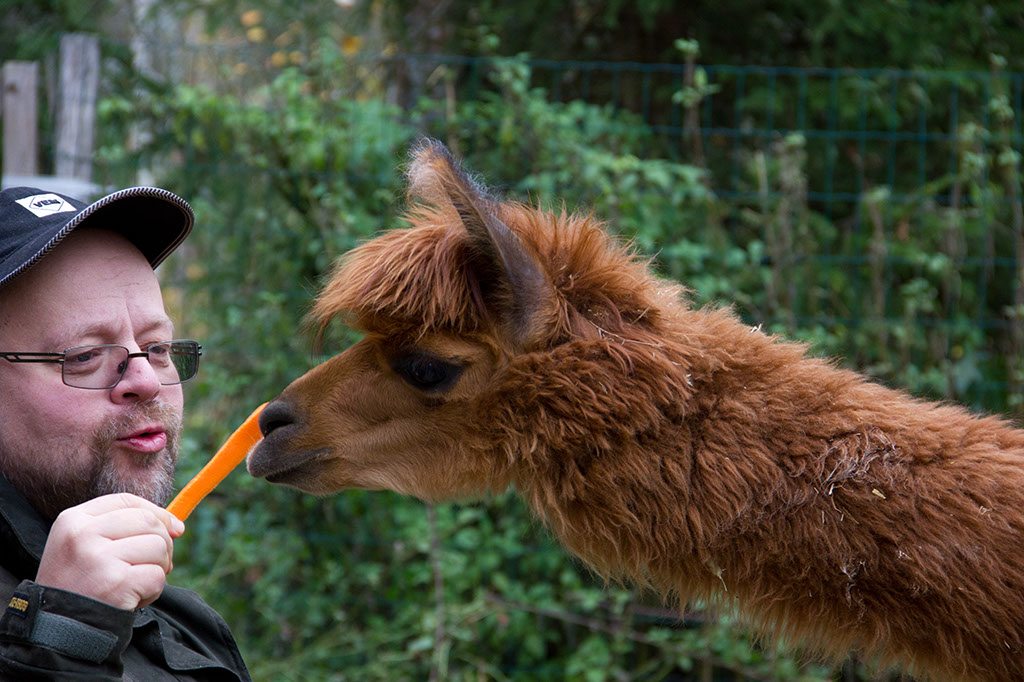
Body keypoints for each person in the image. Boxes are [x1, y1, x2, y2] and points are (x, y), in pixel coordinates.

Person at [0, 186, 250, 679]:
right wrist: (64, 637)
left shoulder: (185, 621)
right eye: (85, 356)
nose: (147, 381)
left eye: (157, 348)